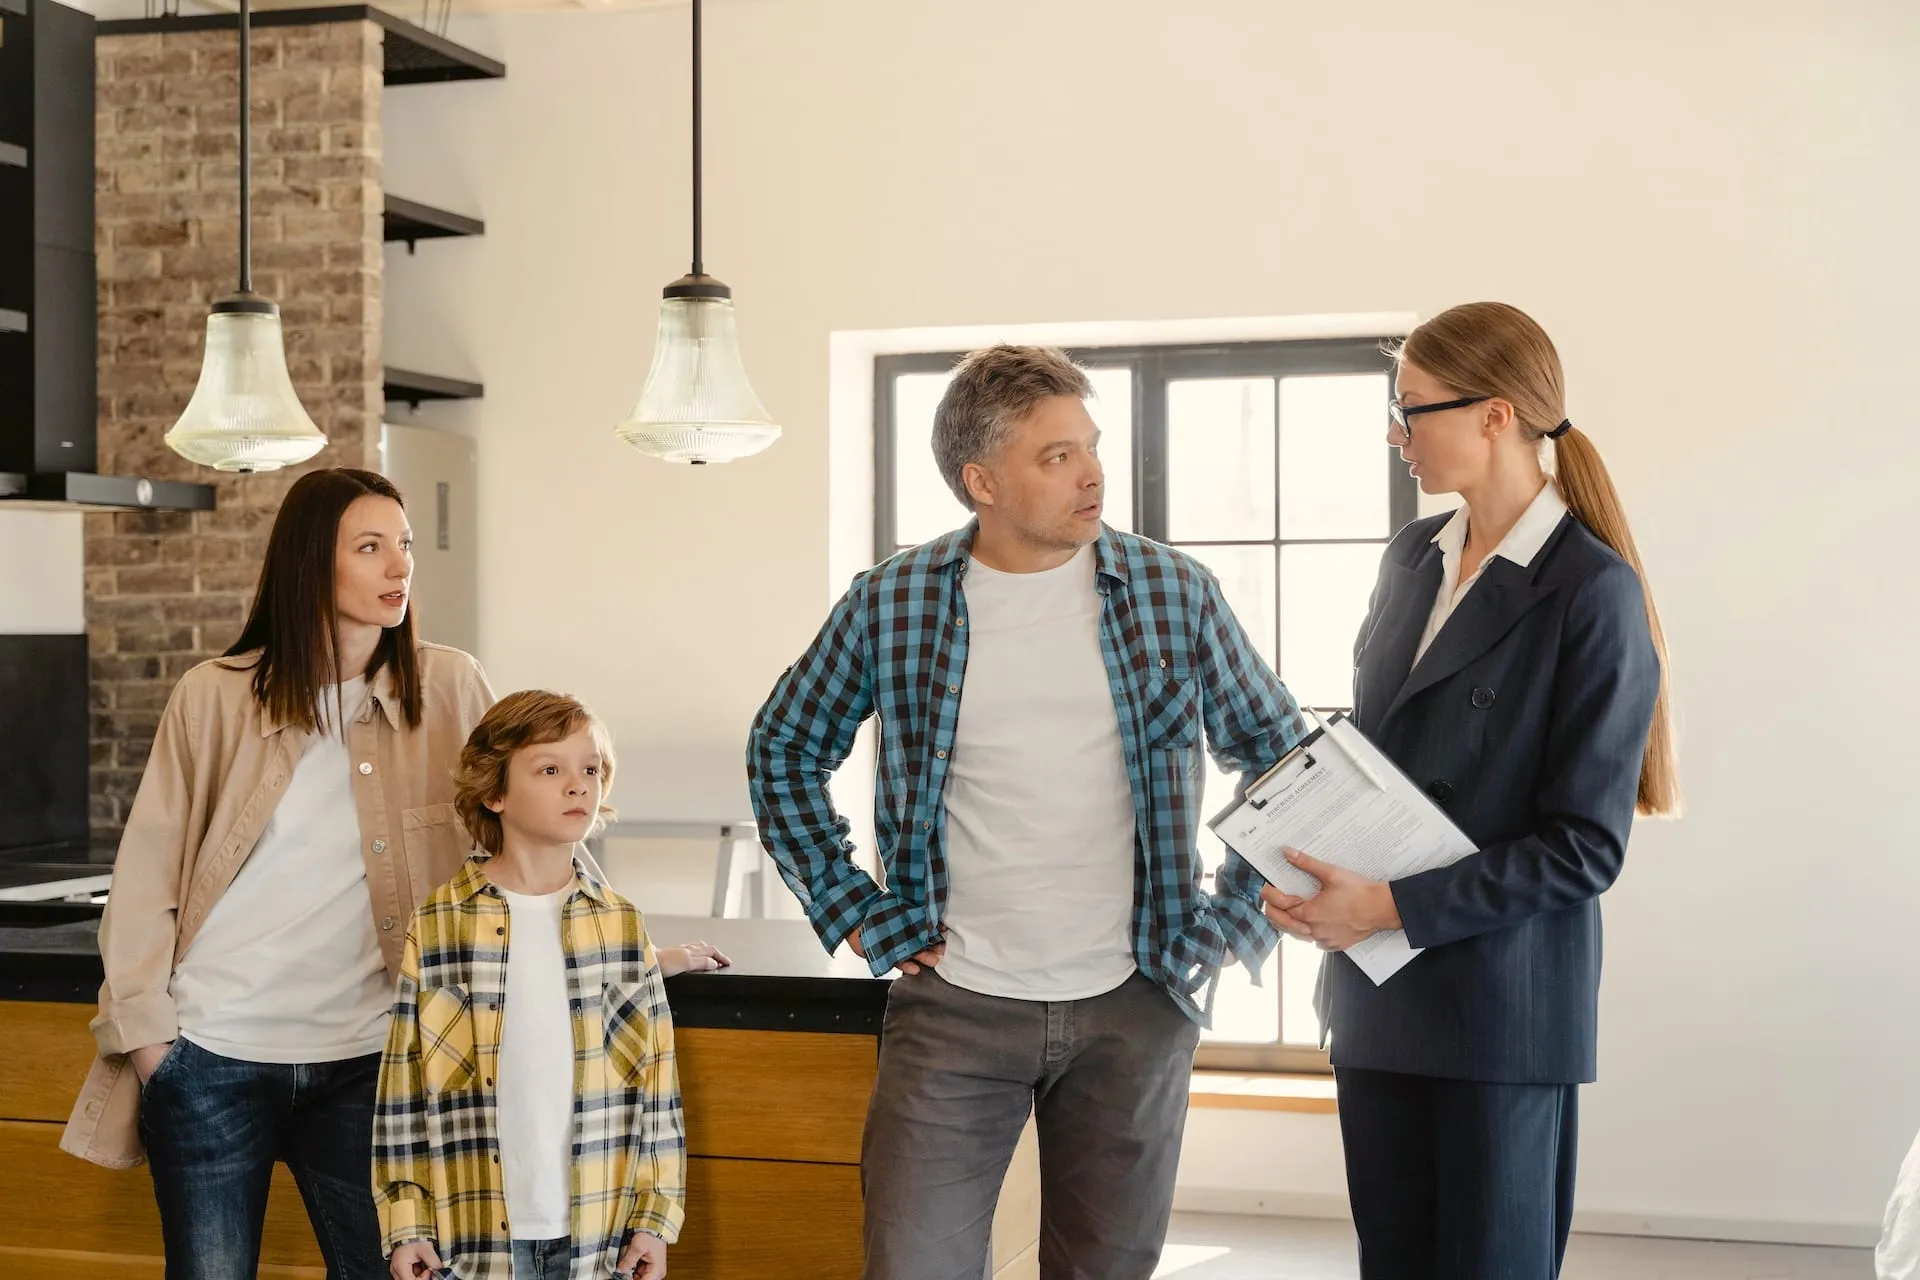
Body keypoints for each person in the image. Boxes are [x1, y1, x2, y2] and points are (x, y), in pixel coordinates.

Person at [748, 344, 1307, 1280]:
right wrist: (854, 910)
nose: (1092, 473)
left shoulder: (1175, 592)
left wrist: (1234, 919)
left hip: (1138, 1001)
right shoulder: (893, 601)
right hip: (954, 1008)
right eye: (1056, 456)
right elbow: (784, 748)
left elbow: (1282, 756)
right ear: (982, 482)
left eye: (1090, 446)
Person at [1261, 302, 1679, 1280]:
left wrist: (1389, 905)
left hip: (1501, 1007)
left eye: (1410, 408)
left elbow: (1584, 848)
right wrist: (1303, 864)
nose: (1395, 433)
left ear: (1495, 415)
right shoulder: (1412, 557)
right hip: (1376, 992)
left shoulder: (1592, 589)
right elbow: (1379, 753)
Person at [61, 468, 497, 1278]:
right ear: (309, 562)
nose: (399, 566)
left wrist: (624, 943)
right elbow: (147, 878)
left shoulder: (451, 688)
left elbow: (523, 830)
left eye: (404, 544)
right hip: (214, 1055)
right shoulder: (214, 697)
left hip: (374, 1061)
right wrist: (154, 1046)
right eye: (370, 547)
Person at [375, 690, 686, 1280]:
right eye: (550, 770)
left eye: (589, 769)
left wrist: (655, 1218)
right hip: (470, 1238)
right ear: (494, 793)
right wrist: (407, 1222)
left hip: (598, 1238)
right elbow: (405, 1089)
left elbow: (656, 1087)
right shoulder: (439, 923)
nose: (578, 786)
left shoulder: (621, 924)